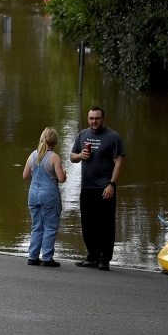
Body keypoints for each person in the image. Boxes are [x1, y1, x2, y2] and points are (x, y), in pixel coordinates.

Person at [69, 106, 125, 271]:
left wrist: (112, 184)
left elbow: (119, 162)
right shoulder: (83, 135)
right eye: (91, 118)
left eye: (97, 118)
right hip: (87, 187)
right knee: (88, 224)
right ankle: (92, 257)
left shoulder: (113, 137)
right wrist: (80, 156)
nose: (94, 121)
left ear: (103, 119)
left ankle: (105, 259)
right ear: (88, 119)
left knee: (106, 225)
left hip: (105, 187)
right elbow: (72, 157)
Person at [22, 127, 66, 267]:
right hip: (49, 196)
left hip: (33, 195)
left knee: (37, 226)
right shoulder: (54, 157)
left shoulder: (33, 155)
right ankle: (47, 257)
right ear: (54, 142)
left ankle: (33, 256)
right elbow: (61, 178)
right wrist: (63, 172)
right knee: (50, 227)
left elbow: (25, 176)